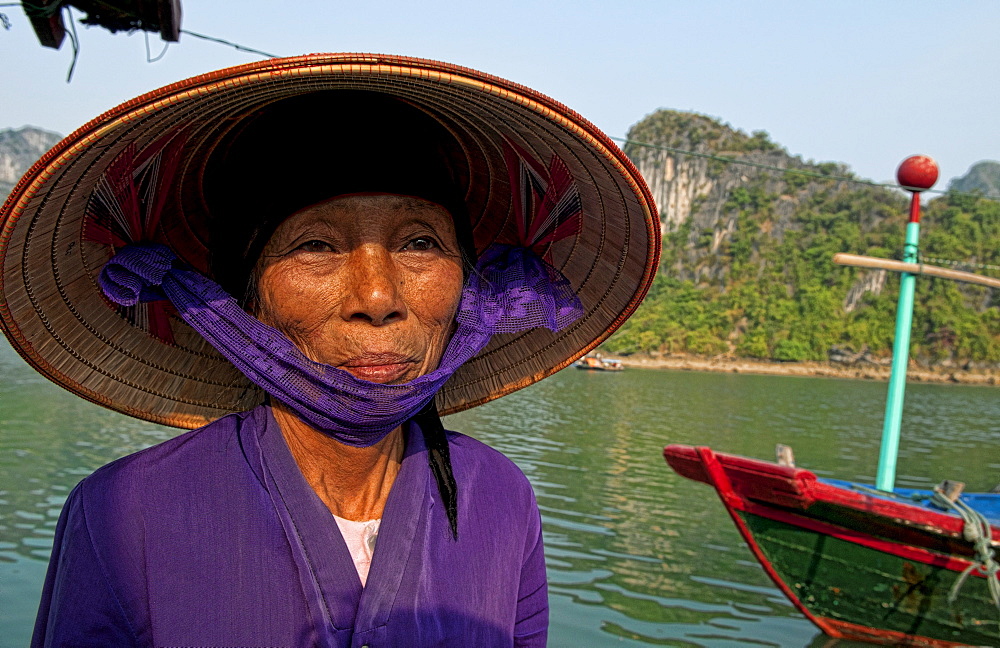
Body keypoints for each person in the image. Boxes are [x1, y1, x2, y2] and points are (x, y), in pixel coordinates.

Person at [0, 54, 659, 647]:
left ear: (469, 279)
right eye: (316, 245)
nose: (376, 296)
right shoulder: (125, 515)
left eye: (420, 243)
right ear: (246, 293)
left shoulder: (504, 502)